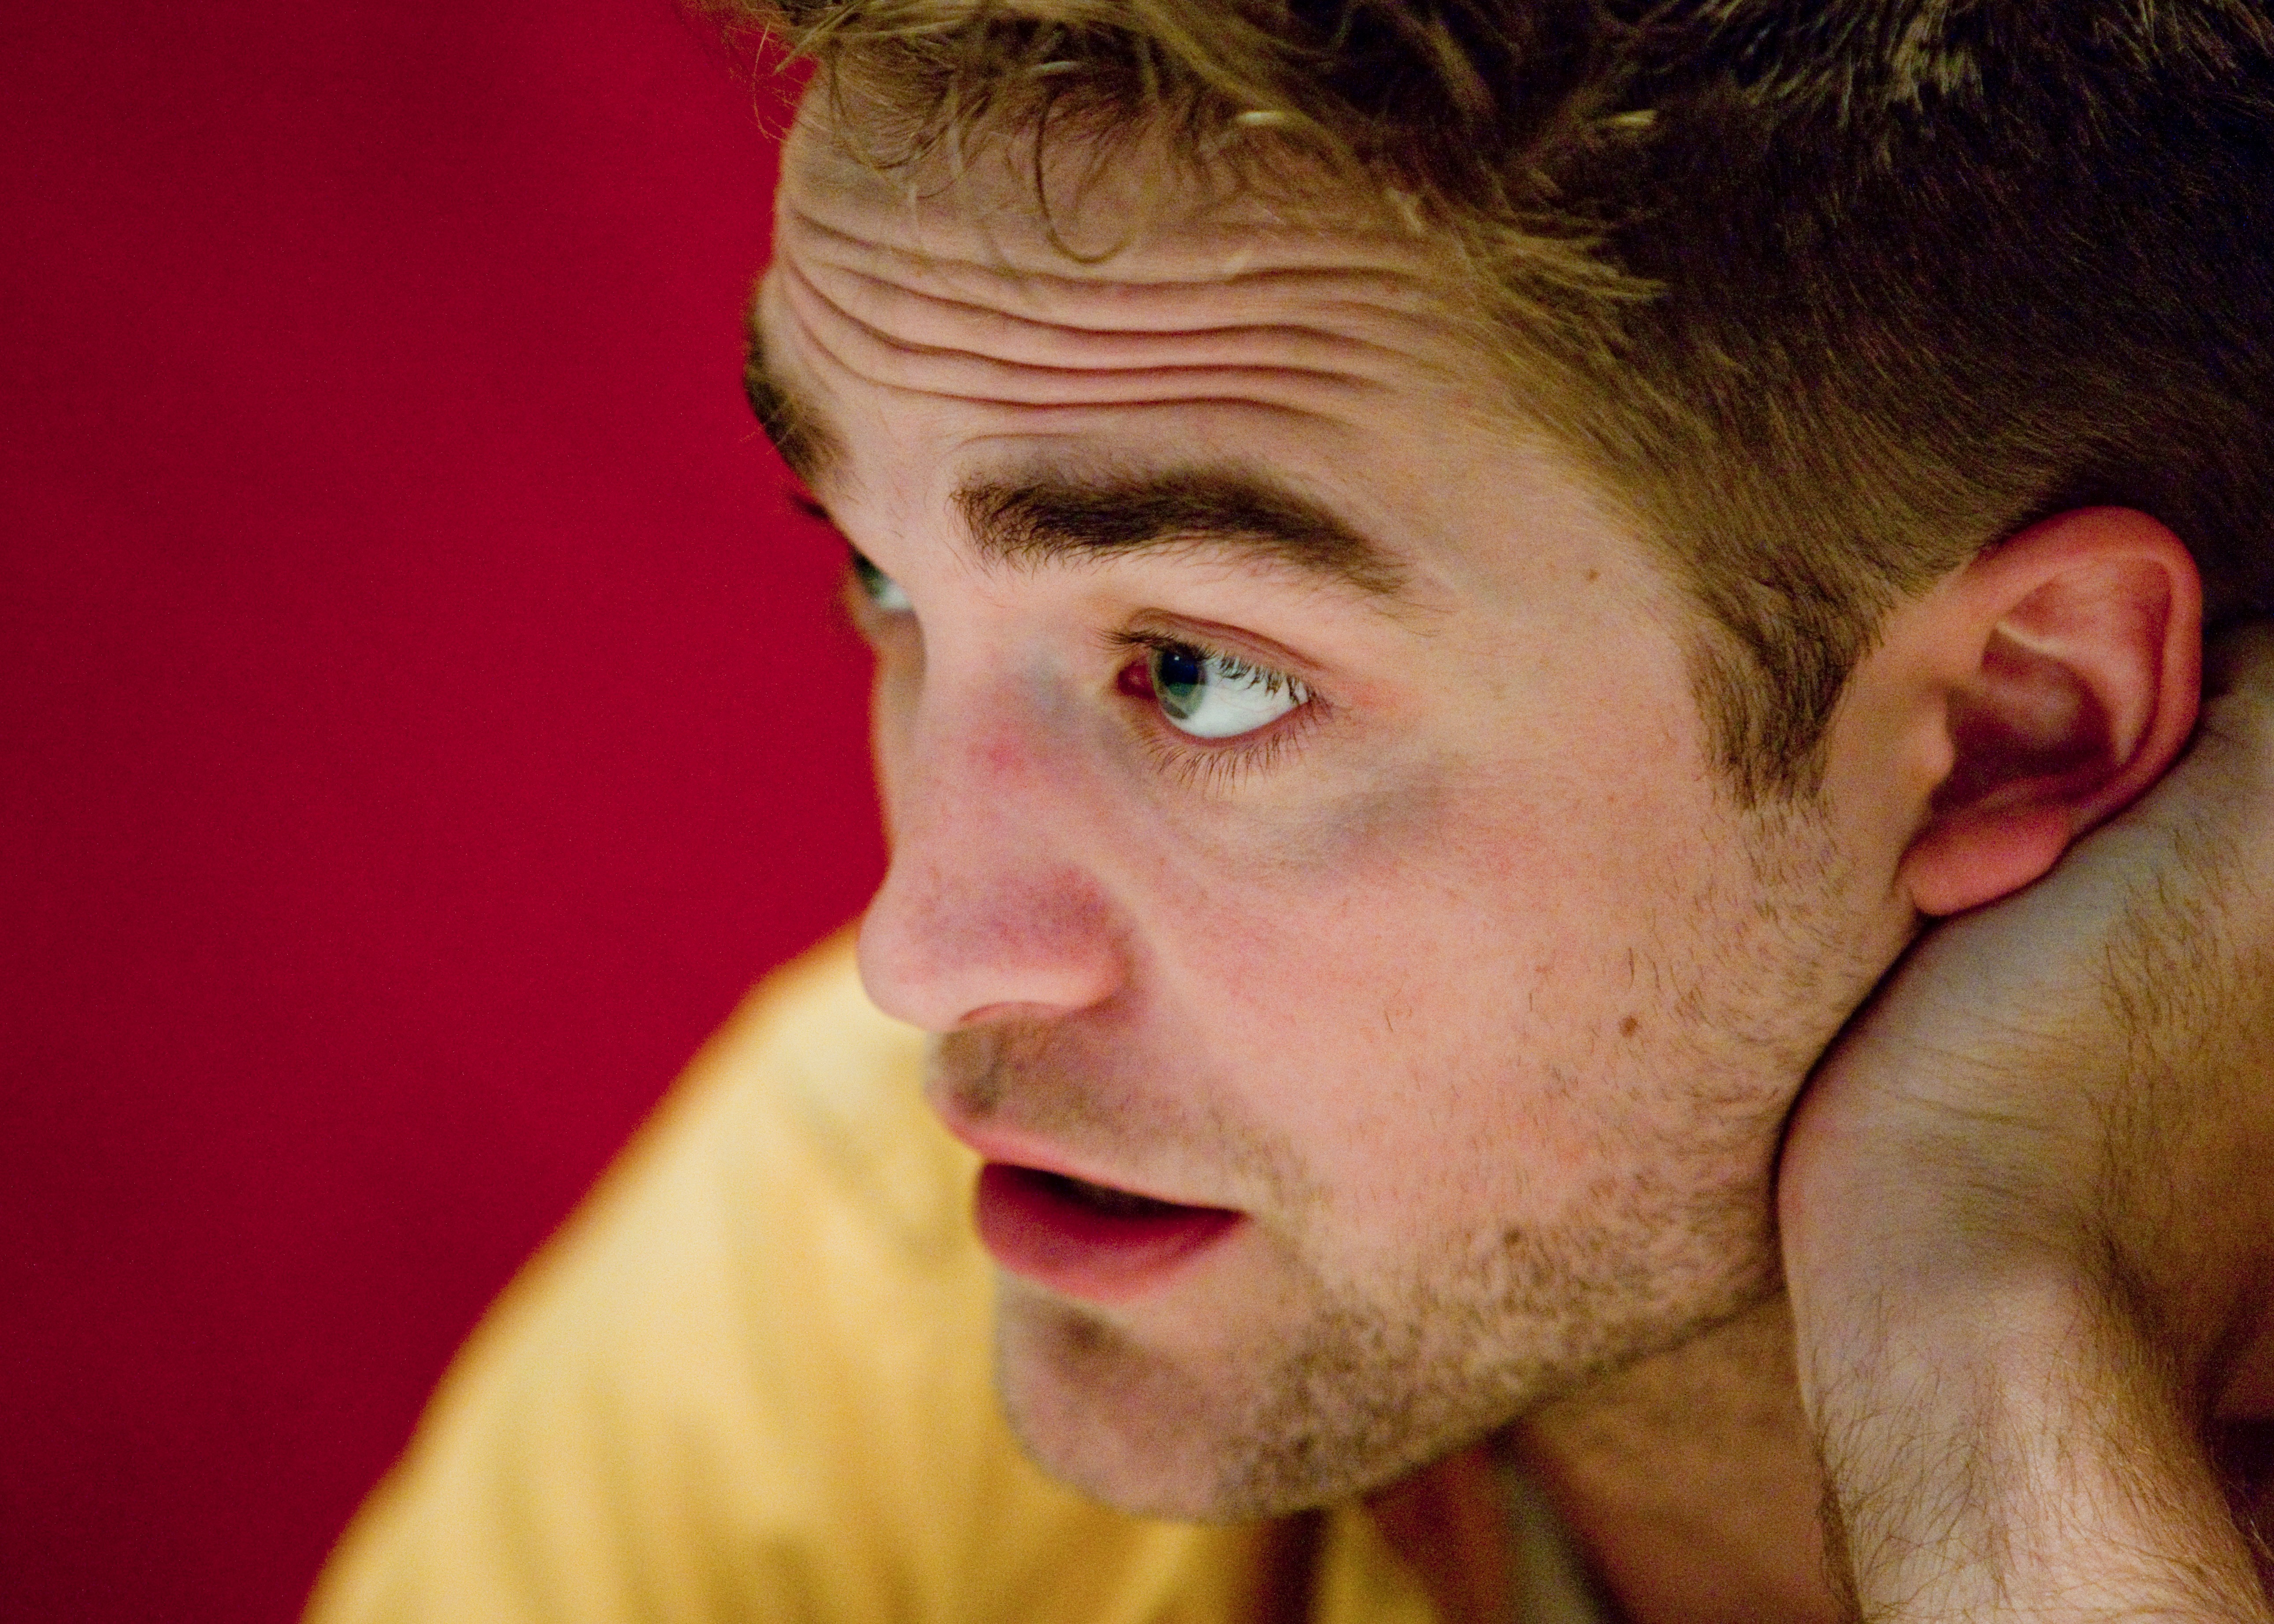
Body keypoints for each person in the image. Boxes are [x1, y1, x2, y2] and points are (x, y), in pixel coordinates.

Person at [306, 3, 2274, 1619]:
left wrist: (1992, 1352)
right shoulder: (854, 1279)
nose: (923, 961)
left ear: (2018, 724)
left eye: (1207, 675)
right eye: (884, 575)